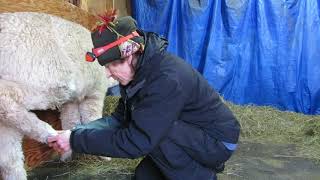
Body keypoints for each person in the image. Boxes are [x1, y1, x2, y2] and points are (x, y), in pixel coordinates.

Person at [48, 14, 240, 180]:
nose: (107, 74)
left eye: (110, 66)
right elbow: (119, 119)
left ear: (130, 56)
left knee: (155, 133)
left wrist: (75, 142)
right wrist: (75, 132)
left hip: (217, 141)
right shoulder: (136, 76)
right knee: (143, 176)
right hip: (186, 130)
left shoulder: (166, 79)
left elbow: (136, 142)